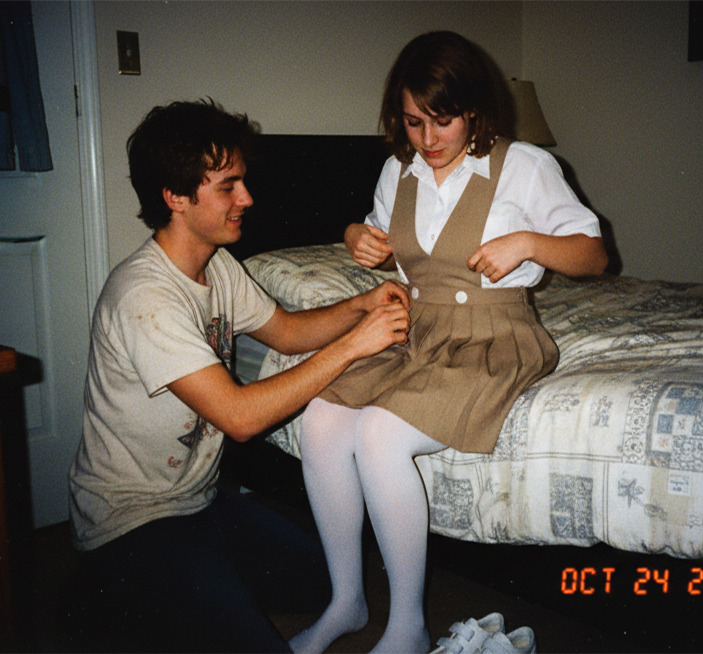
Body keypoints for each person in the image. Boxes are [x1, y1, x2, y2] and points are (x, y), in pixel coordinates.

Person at [291, 31, 608, 654]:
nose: (428, 139)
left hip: (494, 336)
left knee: (380, 436)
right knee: (321, 419)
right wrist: (356, 236)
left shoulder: (524, 166)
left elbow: (594, 256)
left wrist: (529, 243)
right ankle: (346, 601)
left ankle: (406, 626)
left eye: (444, 120)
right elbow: (392, 251)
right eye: (414, 122)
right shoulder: (398, 170)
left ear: (474, 111)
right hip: (417, 329)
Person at [67, 99, 411, 653]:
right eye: (228, 187)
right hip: (129, 523)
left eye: (243, 182)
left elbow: (288, 332)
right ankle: (121, 596)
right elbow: (240, 417)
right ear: (176, 197)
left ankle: (192, 589)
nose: (246, 198)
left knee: (326, 580)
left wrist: (361, 305)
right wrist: (354, 345)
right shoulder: (144, 295)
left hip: (200, 503)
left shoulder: (218, 264)